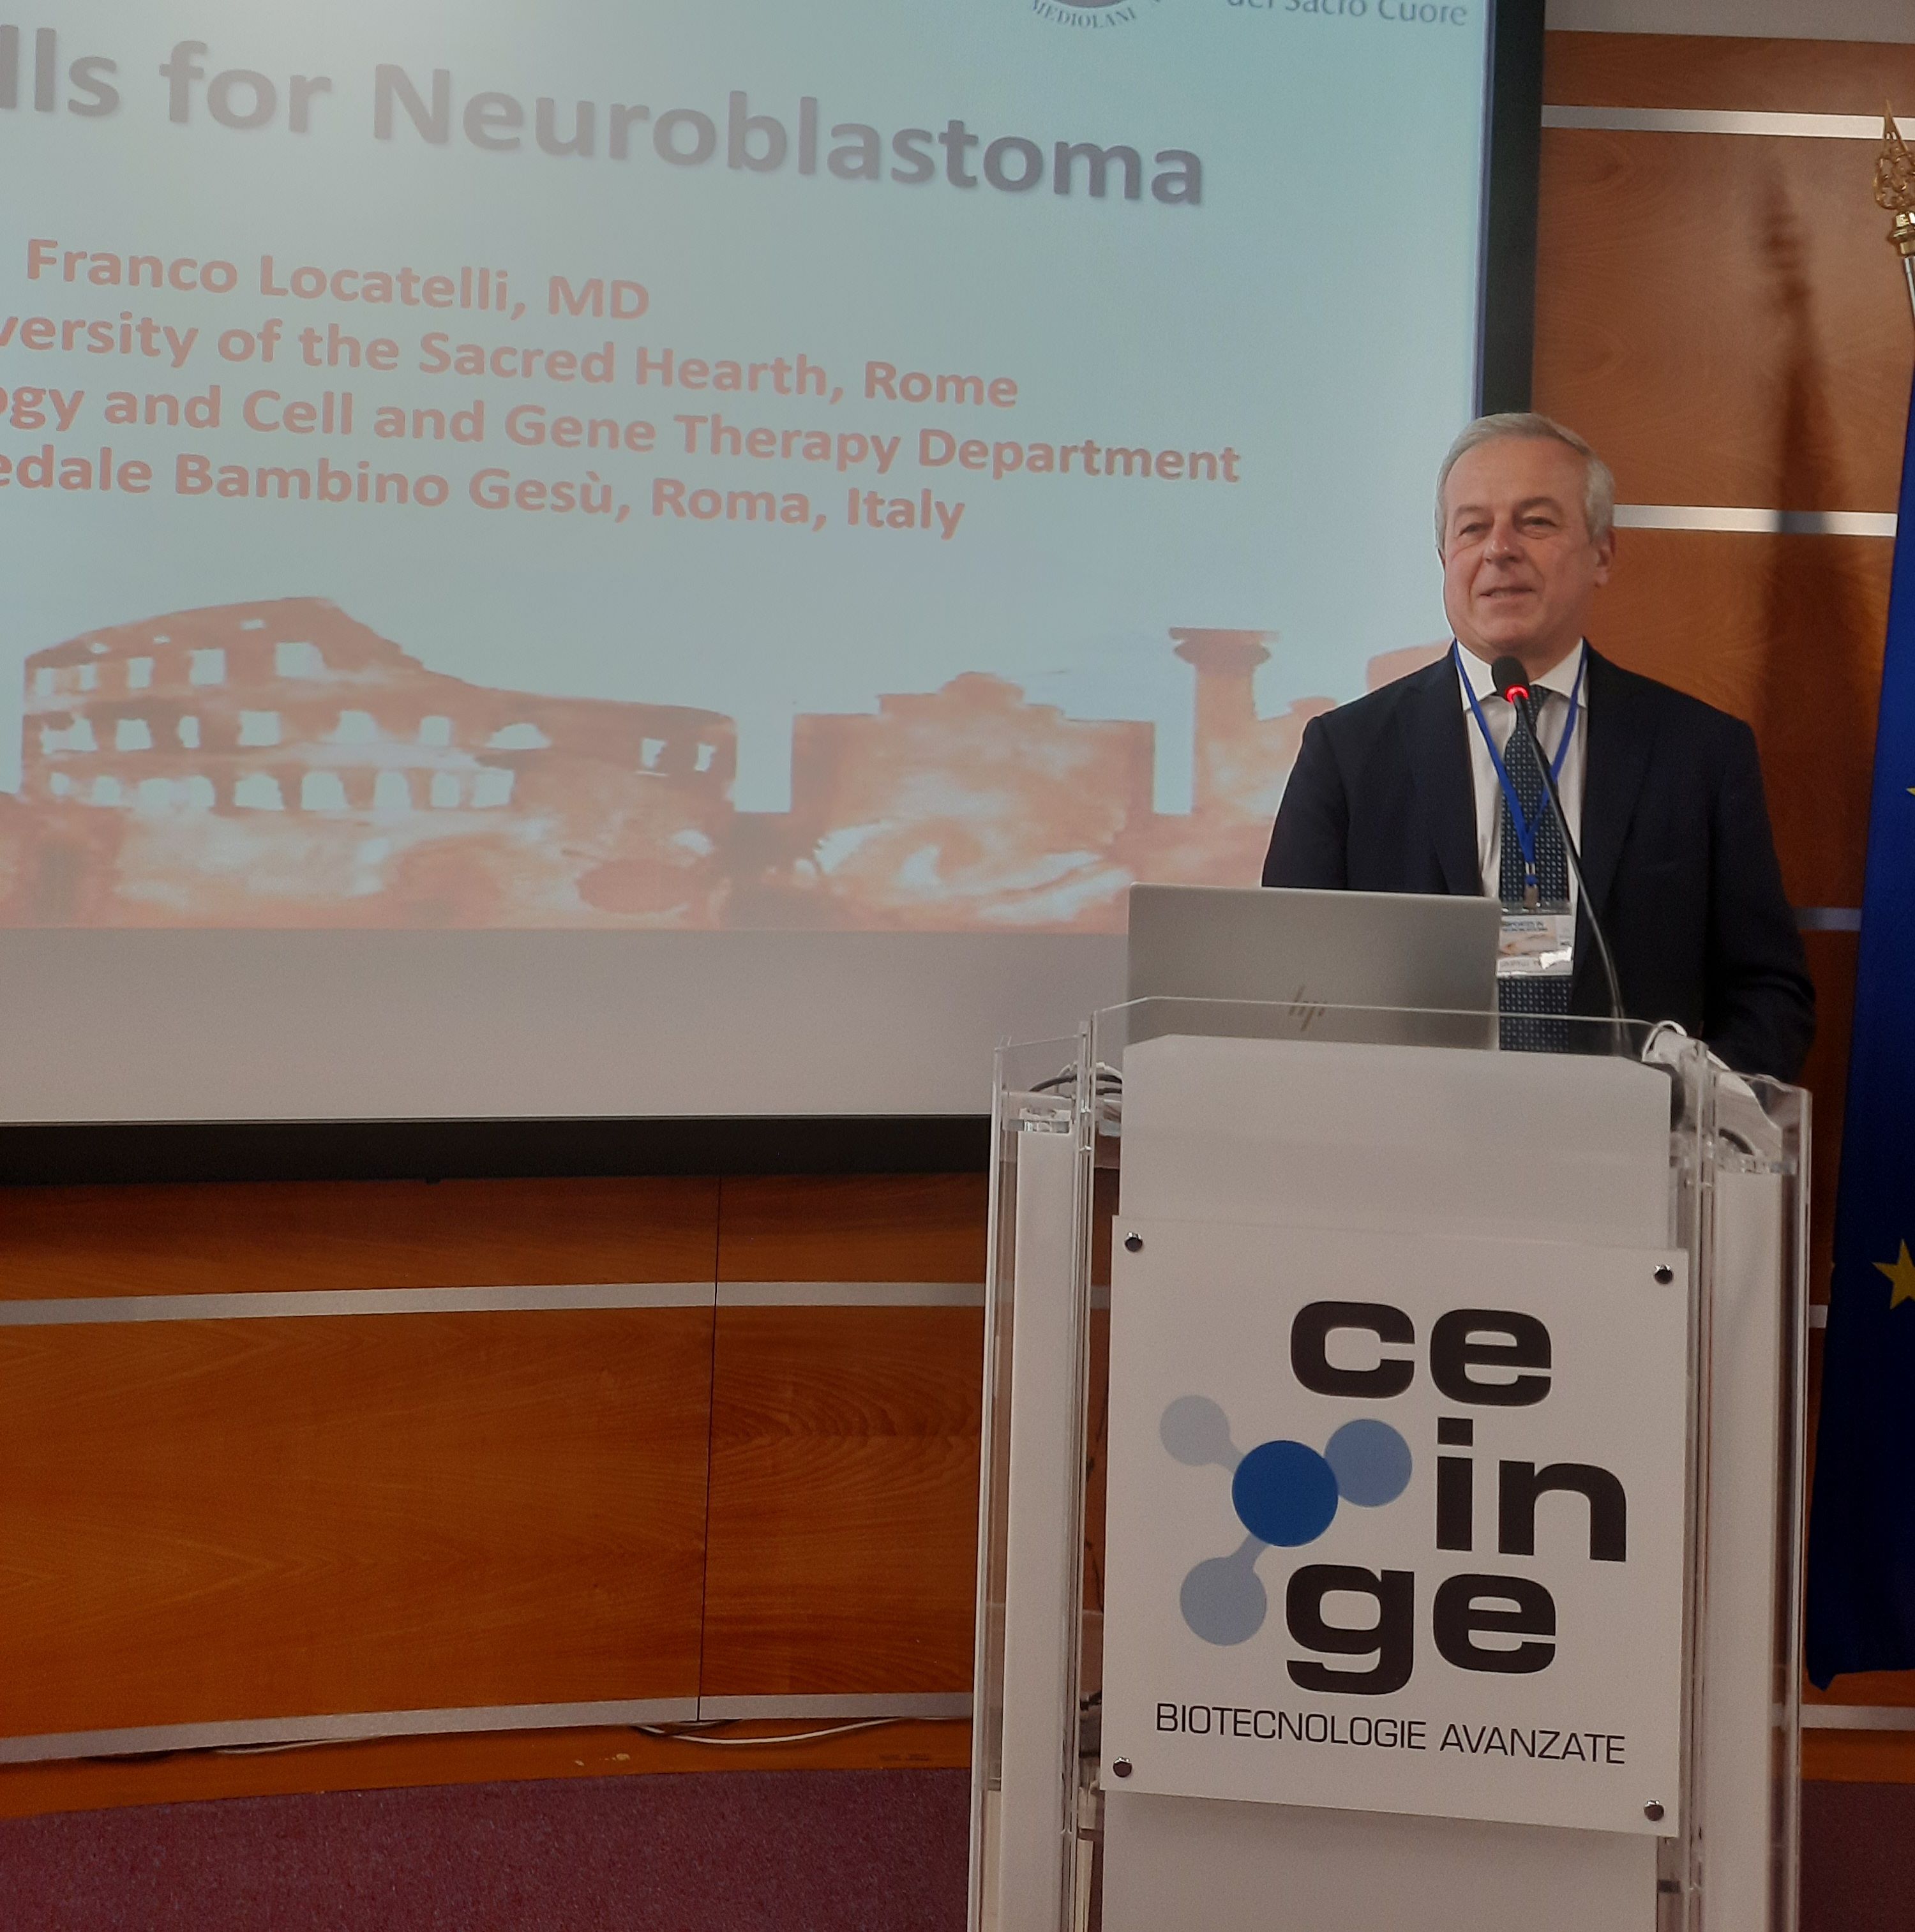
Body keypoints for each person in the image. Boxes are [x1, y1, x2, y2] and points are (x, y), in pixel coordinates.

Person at [1262, 412, 1814, 1081]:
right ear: (1445, 559)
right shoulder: (1347, 755)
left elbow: (1768, 995)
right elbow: (1283, 986)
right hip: (1404, 1135)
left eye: (1535, 522)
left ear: (1602, 554)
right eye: (1473, 528)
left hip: (1627, 1137)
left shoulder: (1700, 753)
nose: (1500, 549)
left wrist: (1679, 1103)